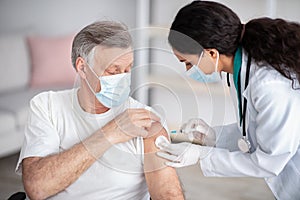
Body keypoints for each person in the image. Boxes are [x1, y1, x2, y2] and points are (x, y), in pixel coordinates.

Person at [16, 21, 184, 200]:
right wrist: (110, 133)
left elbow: (168, 194)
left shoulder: (145, 121)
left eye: (128, 69)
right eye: (113, 71)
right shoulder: (47, 105)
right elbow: (37, 188)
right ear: (82, 68)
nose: (123, 78)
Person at [156, 1, 300, 199]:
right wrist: (213, 136)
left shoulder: (269, 85)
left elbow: (268, 162)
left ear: (212, 53)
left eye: (187, 62)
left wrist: (201, 155)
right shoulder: (240, 68)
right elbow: (258, 128)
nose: (188, 71)